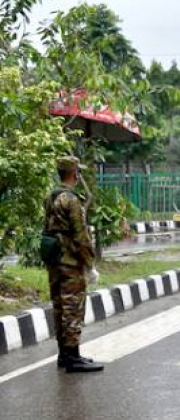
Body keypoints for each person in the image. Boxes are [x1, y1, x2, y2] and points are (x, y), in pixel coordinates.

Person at [43, 156, 103, 373]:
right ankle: (72, 357)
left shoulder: (50, 197)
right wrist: (90, 264)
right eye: (78, 172)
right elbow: (80, 236)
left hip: (54, 260)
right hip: (70, 262)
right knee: (73, 307)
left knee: (59, 306)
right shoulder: (71, 200)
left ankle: (65, 355)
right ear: (74, 174)